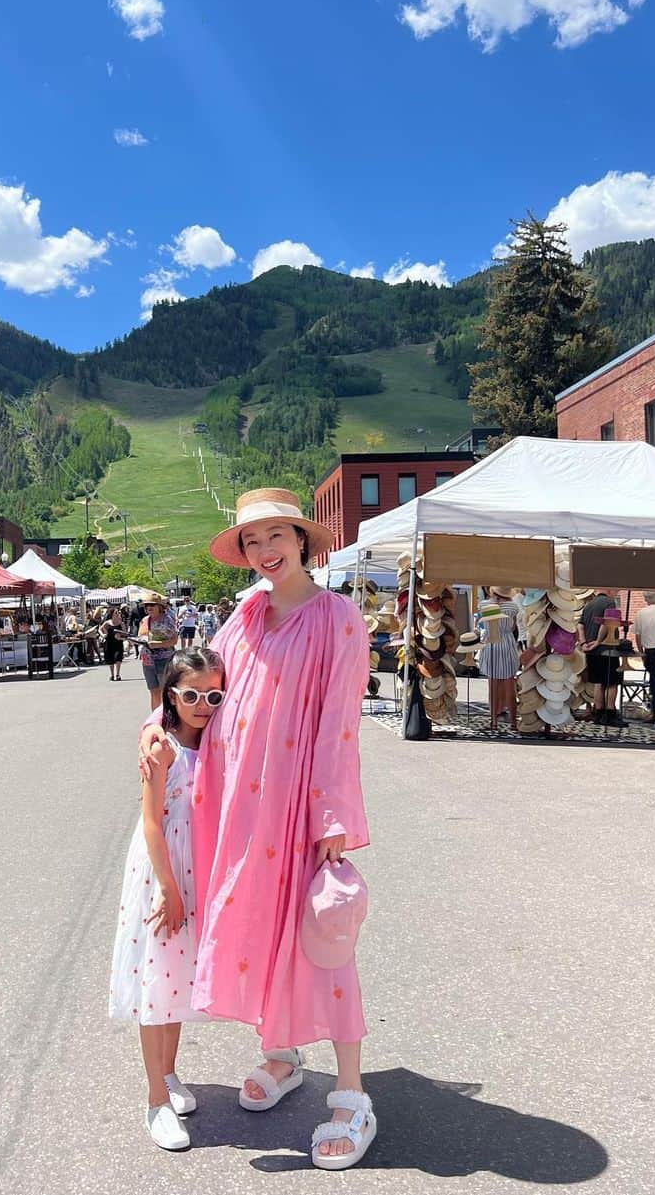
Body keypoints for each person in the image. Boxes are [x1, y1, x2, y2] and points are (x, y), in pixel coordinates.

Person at [140, 488, 375, 1170]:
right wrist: (154, 731)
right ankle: (281, 1053)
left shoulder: (338, 619)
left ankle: (353, 1095)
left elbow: (340, 723)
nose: (265, 550)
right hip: (238, 811)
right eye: (252, 541)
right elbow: (198, 692)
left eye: (277, 535)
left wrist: (332, 818)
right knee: (266, 932)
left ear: (303, 539)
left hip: (300, 808)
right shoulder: (243, 615)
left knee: (322, 940)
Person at [109, 649, 224, 1150]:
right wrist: (169, 888)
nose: (203, 704)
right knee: (154, 979)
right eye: (191, 694)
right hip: (163, 872)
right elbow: (152, 822)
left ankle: (171, 1073)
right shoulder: (162, 747)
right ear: (171, 696)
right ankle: (155, 1098)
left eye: (213, 695)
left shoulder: (216, 739)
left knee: (176, 978)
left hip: (197, 866)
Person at [477, 588, 520, 729]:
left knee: (493, 684)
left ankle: (493, 721)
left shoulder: (484, 605)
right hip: (507, 643)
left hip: (491, 644)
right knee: (509, 684)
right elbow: (513, 627)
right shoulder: (512, 607)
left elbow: (481, 623)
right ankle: (513, 721)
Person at [579, 587, 621, 726]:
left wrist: (584, 643)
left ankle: (598, 713)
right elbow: (607, 623)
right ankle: (610, 714)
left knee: (598, 682)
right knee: (611, 682)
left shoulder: (588, 605)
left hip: (591, 650)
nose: (617, 593)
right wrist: (598, 641)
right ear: (609, 590)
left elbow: (580, 626)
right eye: (615, 591)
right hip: (607, 648)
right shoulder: (610, 602)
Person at [138, 598, 178, 711]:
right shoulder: (145, 620)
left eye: (152, 605)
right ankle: (155, 718)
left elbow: (174, 641)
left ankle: (167, 716)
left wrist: (157, 644)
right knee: (153, 690)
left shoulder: (167, 620)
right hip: (147, 659)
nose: (149, 608)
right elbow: (140, 636)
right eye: (147, 606)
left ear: (160, 607)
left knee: (165, 691)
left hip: (164, 659)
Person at [632, 590, 655, 721]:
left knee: (654, 683)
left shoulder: (640, 613)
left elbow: (638, 636)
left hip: (649, 651)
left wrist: (641, 653)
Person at [102, 606, 126, 682]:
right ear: (111, 614)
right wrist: (103, 635)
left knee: (118, 657)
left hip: (118, 643)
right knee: (110, 659)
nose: (117, 614)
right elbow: (100, 629)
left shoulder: (121, 623)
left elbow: (125, 634)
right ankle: (112, 674)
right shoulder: (107, 622)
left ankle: (118, 674)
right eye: (116, 612)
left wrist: (121, 637)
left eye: (118, 612)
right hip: (109, 642)